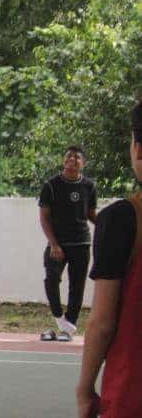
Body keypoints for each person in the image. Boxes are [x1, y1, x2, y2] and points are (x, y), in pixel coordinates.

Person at [76, 101, 142, 418]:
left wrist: (85, 388)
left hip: (131, 393)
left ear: (138, 150)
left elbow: (102, 322)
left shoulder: (121, 219)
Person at [38, 146, 98, 341]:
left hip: (81, 243)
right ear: (64, 161)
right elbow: (44, 218)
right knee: (51, 279)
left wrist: (108, 224)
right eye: (68, 156)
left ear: (83, 163)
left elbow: (90, 214)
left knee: (77, 286)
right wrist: (54, 244)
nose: (72, 159)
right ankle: (61, 321)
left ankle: (68, 329)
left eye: (77, 157)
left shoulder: (89, 186)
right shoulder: (51, 185)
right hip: (58, 244)